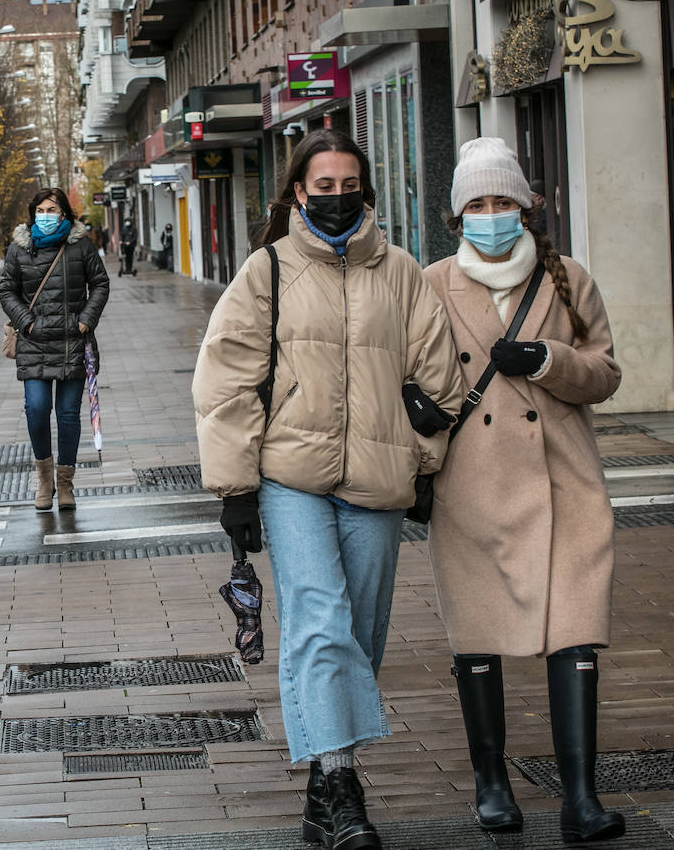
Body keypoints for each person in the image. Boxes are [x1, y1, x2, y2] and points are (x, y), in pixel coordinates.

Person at [193, 129, 463, 850]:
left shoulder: (402, 273)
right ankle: (345, 791)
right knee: (318, 621)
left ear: (365, 191)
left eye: (350, 187)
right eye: (323, 187)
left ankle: (320, 789)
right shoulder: (267, 271)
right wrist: (235, 486)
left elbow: (441, 380)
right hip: (291, 478)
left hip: (379, 477)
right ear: (297, 192)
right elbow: (224, 383)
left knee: (359, 636)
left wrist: (424, 460)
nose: (337, 199)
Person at [424, 137, 624, 844]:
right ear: (457, 215)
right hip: (473, 483)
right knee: (476, 633)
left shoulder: (568, 276)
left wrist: (548, 360)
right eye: (476, 203)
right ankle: (491, 783)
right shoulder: (433, 282)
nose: (490, 213)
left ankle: (580, 799)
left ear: (526, 205)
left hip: (565, 480)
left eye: (502, 201)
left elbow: (605, 372)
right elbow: (414, 373)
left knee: (576, 632)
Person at [0, 187, 110, 511]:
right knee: (36, 410)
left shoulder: (80, 246)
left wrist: (85, 320)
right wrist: (27, 321)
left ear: (64, 214)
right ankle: (44, 480)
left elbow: (100, 283)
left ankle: (65, 484)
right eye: (41, 210)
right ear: (33, 213)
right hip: (34, 342)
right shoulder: (19, 249)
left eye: (53, 210)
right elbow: (7, 291)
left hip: (72, 343)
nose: (46, 215)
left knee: (67, 415)